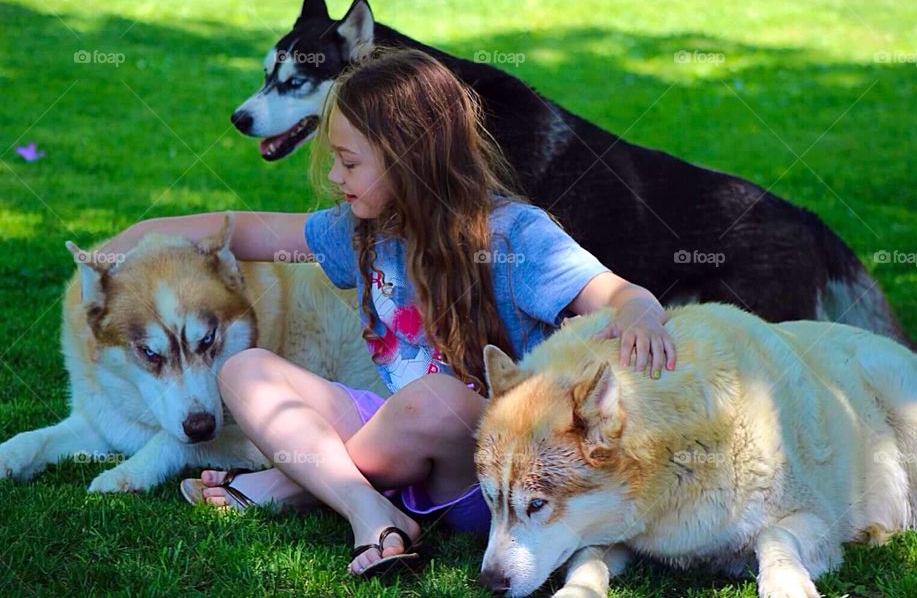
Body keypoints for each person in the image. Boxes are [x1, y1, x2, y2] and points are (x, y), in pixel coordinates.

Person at [100, 48, 676, 577]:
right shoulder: (362, 230)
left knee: (435, 399)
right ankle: (367, 507)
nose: (333, 177)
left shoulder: (514, 234)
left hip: (494, 463)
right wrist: (146, 231)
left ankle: (299, 483)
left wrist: (642, 314)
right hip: (396, 430)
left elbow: (617, 293)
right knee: (241, 371)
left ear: (408, 160)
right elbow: (250, 229)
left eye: (349, 164)